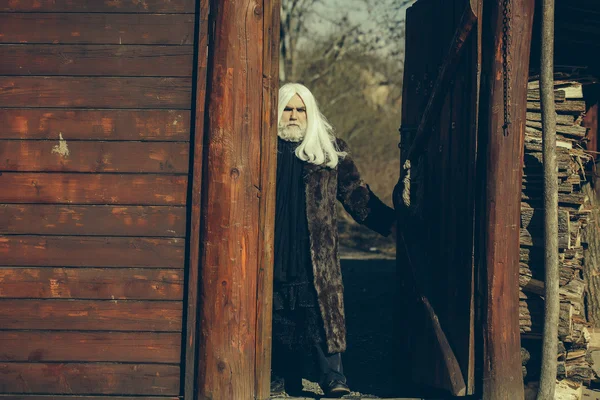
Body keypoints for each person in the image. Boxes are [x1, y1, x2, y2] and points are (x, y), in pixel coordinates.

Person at [271, 82, 396, 398]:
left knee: (320, 312)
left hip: (315, 252)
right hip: (272, 247)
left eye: (301, 109)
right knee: (277, 313)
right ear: (277, 111)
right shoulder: (262, 148)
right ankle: (283, 376)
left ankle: (332, 378)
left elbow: (355, 194)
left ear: (310, 112)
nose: (294, 115)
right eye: (288, 109)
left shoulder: (329, 150)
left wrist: (393, 224)